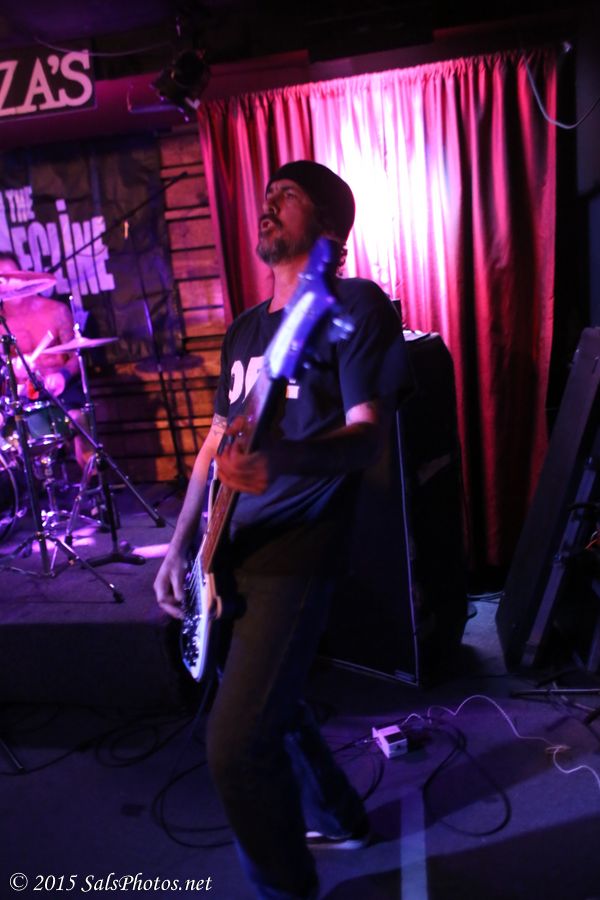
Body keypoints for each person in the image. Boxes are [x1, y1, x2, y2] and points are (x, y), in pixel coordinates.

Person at [153, 160, 412, 899]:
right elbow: (215, 446)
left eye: (288, 196)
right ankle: (342, 816)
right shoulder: (244, 330)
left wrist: (282, 459)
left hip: (297, 551)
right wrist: (180, 546)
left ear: (328, 226)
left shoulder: (352, 306)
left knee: (235, 747)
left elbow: (367, 438)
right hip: (226, 550)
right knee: (278, 703)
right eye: (266, 195)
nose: (268, 204)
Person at [0, 250, 91, 470]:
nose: (6, 285)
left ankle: (93, 479)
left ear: (23, 277)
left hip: (61, 389)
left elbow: (76, 356)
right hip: (22, 395)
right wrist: (12, 368)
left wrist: (62, 375)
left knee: (78, 418)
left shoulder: (56, 311)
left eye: (11, 277)